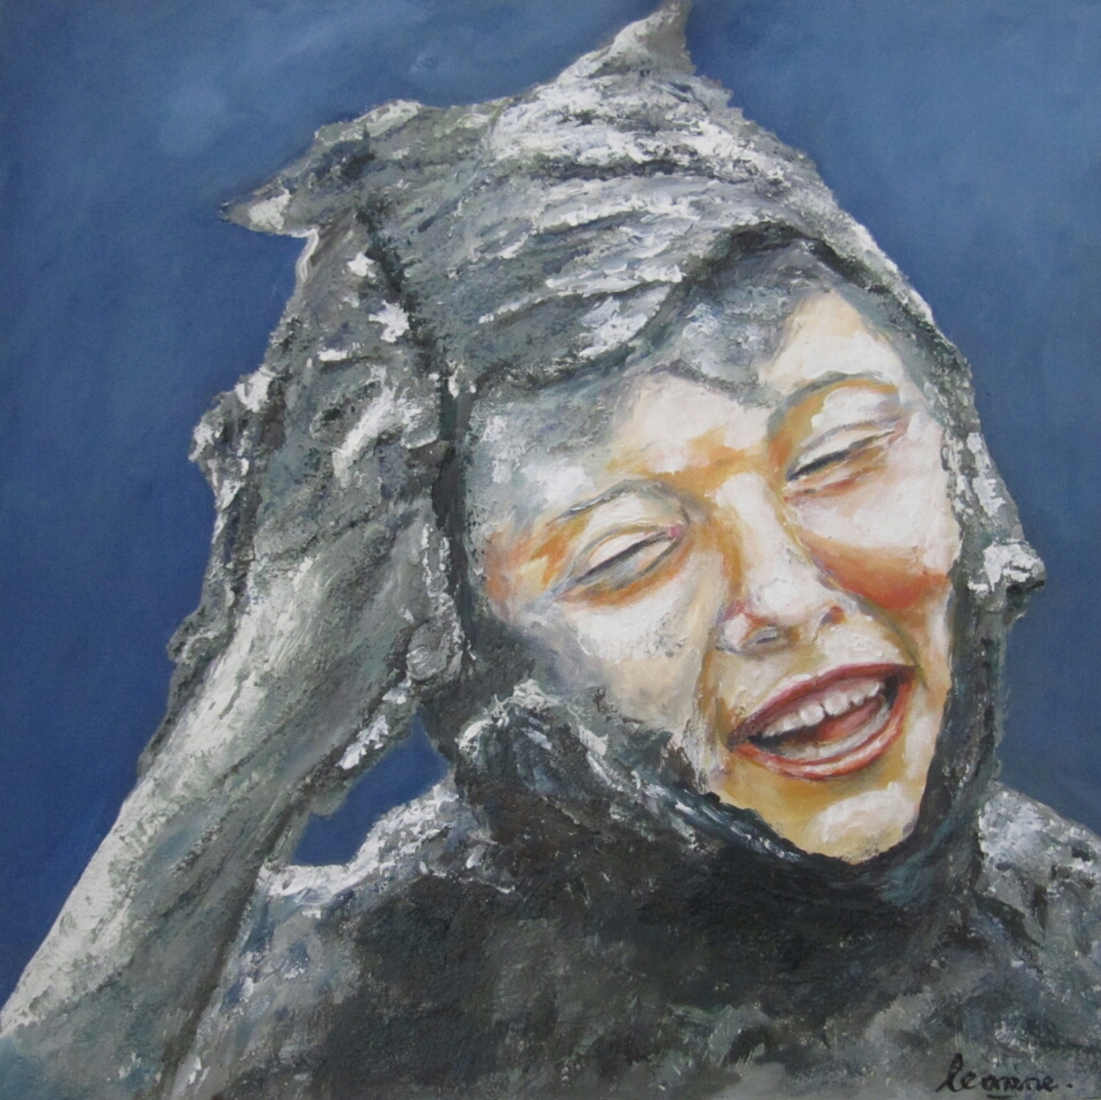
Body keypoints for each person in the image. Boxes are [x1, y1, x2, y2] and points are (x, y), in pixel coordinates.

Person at [3, 4, 1100, 1098]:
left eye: (840, 455)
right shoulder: (304, 1019)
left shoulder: (1074, 944)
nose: (782, 595)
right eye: (626, 555)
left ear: (964, 465)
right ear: (473, 648)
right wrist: (246, 738)